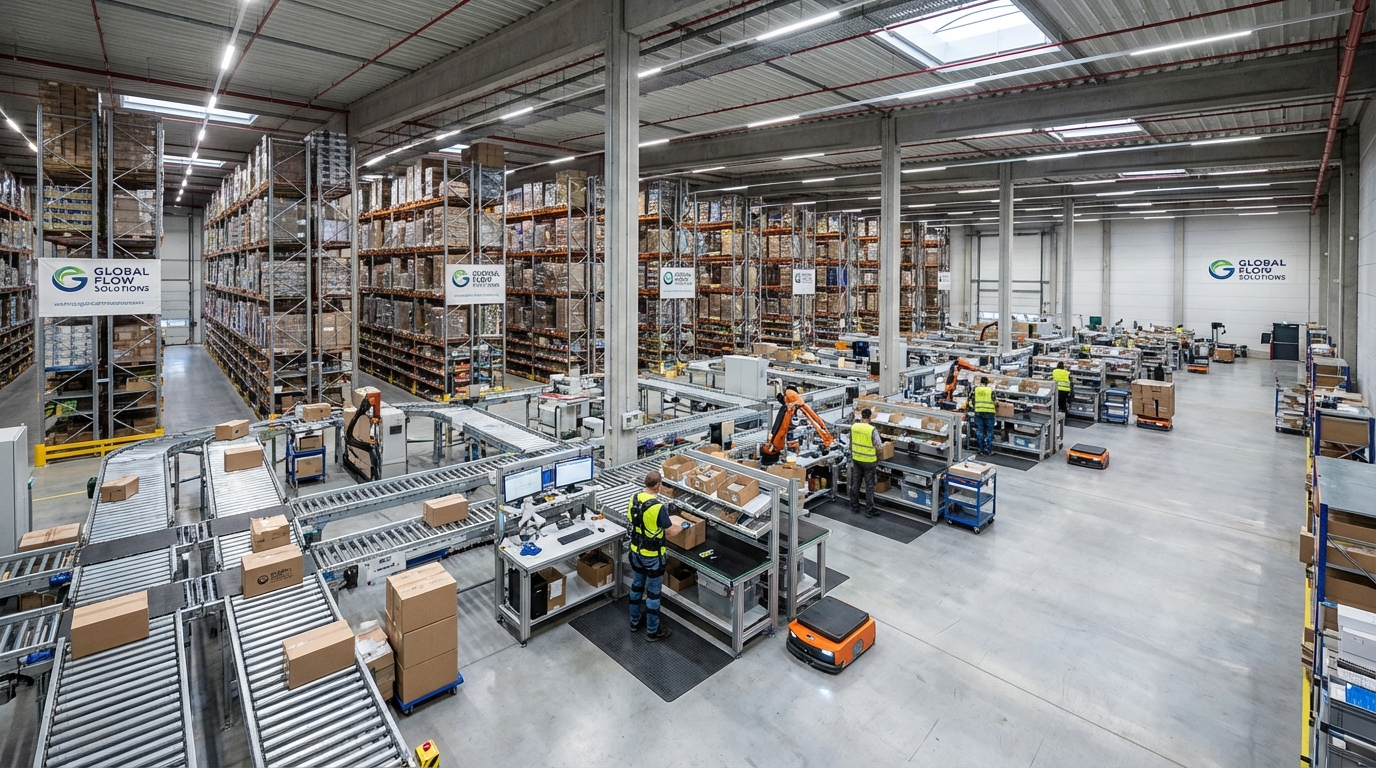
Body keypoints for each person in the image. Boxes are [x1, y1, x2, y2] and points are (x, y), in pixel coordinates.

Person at [626, 471, 673, 643]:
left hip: (635, 552)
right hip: (653, 556)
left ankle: (634, 621)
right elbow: (668, 529)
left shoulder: (634, 498)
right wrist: (684, 527)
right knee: (653, 594)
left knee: (637, 586)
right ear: (658, 485)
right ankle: (653, 631)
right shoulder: (657, 507)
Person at [849, 408, 884, 518]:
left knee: (855, 483)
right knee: (869, 485)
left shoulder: (854, 426)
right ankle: (869, 510)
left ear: (861, 416)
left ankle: (854, 506)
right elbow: (879, 445)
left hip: (856, 458)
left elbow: (850, 441)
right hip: (869, 461)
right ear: (870, 417)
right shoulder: (872, 429)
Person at [971, 376, 996, 455]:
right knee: (989, 431)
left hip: (978, 412)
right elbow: (995, 401)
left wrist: (976, 407)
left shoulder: (976, 389)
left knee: (980, 430)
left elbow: (972, 401)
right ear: (987, 382)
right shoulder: (990, 390)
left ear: (980, 382)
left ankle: (980, 449)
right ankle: (989, 450)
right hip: (989, 412)